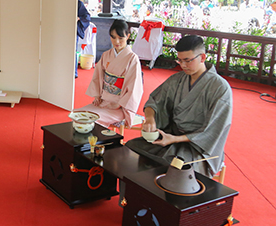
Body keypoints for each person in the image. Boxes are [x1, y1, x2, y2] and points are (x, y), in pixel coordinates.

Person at [126, 35, 232, 178]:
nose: (183, 65)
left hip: (199, 148)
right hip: (171, 135)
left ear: (202, 57)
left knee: (171, 166)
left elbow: (212, 131)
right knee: (131, 148)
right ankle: (138, 192)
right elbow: (155, 101)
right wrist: (150, 118)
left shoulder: (220, 88)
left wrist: (174, 139)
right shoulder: (177, 80)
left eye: (188, 60)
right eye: (180, 60)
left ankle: (158, 197)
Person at [74, 19, 143, 128]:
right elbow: (98, 76)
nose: (117, 42)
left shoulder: (132, 59)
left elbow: (134, 87)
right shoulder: (106, 55)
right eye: (113, 37)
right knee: (78, 115)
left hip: (119, 106)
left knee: (94, 120)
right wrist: (97, 96)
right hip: (104, 100)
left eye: (121, 38)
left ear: (128, 36)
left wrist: (119, 104)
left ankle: (97, 143)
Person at [75, 0, 90, 78]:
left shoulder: (77, 3)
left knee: (72, 51)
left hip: (72, 30)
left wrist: (78, 18)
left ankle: (73, 72)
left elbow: (87, 17)